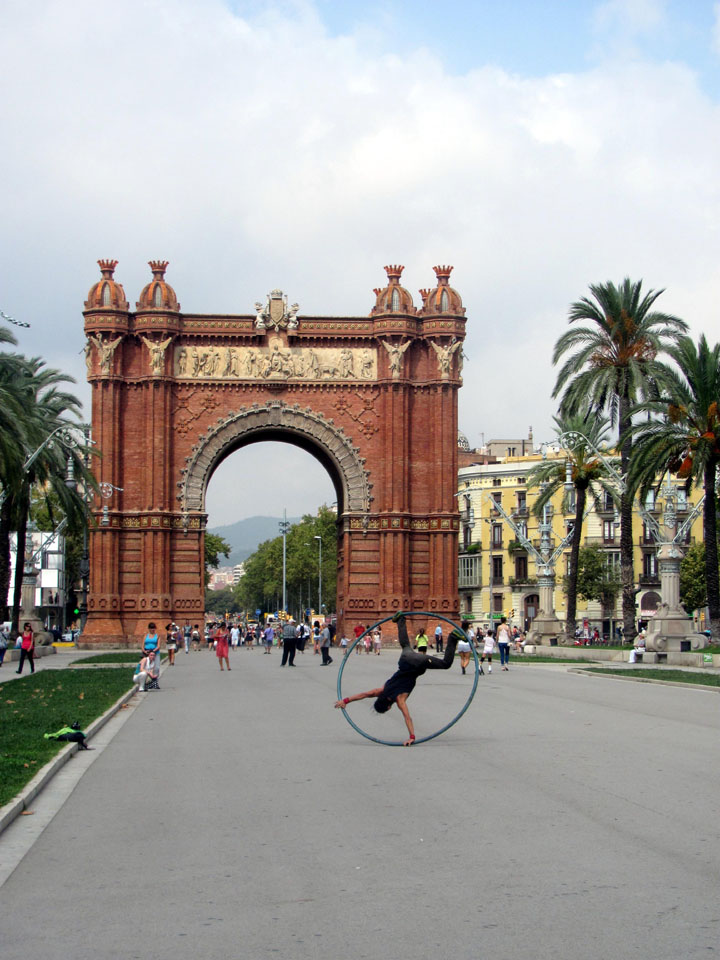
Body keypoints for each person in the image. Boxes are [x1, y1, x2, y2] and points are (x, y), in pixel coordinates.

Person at [334, 615, 460, 746]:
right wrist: (345, 700)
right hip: (405, 658)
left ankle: (452, 637)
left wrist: (411, 736)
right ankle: (400, 619)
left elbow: (407, 717)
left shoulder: (400, 700)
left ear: (388, 707)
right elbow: (364, 695)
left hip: (418, 663)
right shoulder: (380, 691)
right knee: (405, 644)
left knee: (446, 664)